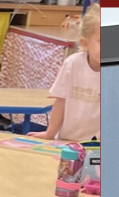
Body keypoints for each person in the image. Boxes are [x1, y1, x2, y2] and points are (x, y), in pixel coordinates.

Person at [43, 4, 99, 141]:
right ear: (85, 43)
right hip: (67, 140)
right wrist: (49, 134)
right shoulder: (72, 64)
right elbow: (60, 101)